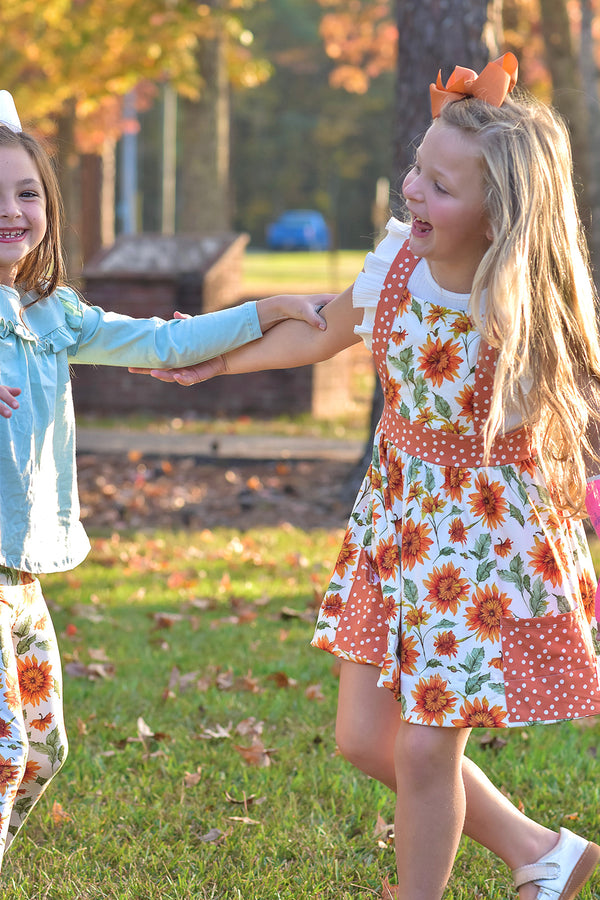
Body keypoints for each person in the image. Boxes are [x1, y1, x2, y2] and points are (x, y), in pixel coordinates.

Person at [130, 55, 600, 900]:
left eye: (441, 187)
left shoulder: (518, 301)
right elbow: (313, 335)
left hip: (483, 543)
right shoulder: (393, 268)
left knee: (424, 750)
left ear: (501, 216)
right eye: (416, 170)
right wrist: (211, 363)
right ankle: (542, 851)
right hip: (399, 522)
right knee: (362, 739)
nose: (414, 191)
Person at [0, 88, 330, 869]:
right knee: (5, 751)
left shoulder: (52, 315)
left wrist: (266, 311)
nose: (12, 210)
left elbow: (161, 343)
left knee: (45, 748)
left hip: (20, 573)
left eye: (25, 192)